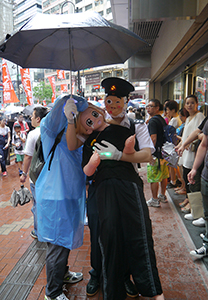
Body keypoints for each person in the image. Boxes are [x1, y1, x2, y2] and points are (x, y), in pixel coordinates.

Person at [66, 77, 155, 297]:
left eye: (117, 101)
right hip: (99, 188)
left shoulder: (136, 125)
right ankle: (97, 273)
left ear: (126, 101)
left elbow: (147, 155)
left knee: (125, 231)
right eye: (108, 101)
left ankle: (124, 276)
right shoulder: (95, 127)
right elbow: (72, 144)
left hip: (126, 185)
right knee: (99, 230)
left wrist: (119, 156)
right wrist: (70, 119)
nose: (112, 106)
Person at [35, 95, 88, 300]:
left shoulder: (78, 137)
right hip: (55, 196)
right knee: (56, 244)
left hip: (70, 196)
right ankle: (53, 292)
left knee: (63, 240)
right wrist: (67, 103)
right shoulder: (52, 133)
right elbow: (51, 121)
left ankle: (63, 274)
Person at [20, 106, 48, 239]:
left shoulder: (32, 134)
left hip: (36, 177)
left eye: (32, 116)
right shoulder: (53, 131)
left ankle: (39, 232)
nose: (30, 118)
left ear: (38, 118)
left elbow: (27, 157)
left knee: (38, 205)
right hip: (51, 176)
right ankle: (50, 230)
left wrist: (24, 174)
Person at [176, 95, 205, 214]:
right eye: (187, 103)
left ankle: (194, 207)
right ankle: (189, 199)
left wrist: (189, 143)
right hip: (186, 152)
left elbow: (200, 134)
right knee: (186, 176)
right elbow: (185, 135)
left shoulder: (199, 116)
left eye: (192, 103)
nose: (189, 105)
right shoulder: (188, 118)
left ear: (197, 103)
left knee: (193, 179)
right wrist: (180, 145)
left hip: (194, 153)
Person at [188, 118, 208, 258]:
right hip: (207, 175)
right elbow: (204, 145)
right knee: (207, 214)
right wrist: (195, 168)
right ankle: (207, 243)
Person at [146, 99, 169, 207]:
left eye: (151, 106)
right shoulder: (162, 119)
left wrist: (149, 153)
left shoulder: (153, 121)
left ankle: (154, 200)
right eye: (148, 106)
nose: (148, 108)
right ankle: (162, 195)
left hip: (155, 153)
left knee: (153, 177)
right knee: (163, 175)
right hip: (163, 152)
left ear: (157, 108)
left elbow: (153, 138)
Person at [165, 100, 182, 189]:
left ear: (173, 110)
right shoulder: (178, 118)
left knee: (172, 164)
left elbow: (168, 131)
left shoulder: (174, 120)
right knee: (175, 164)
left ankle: (173, 181)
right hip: (176, 144)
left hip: (172, 145)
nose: (167, 112)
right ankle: (178, 179)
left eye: (168, 110)